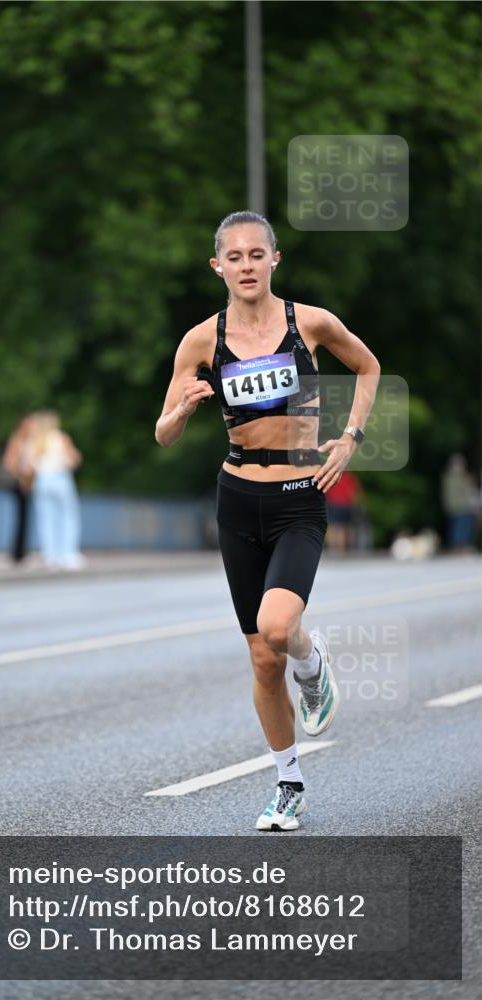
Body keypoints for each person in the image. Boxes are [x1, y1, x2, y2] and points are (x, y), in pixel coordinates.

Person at [156, 211, 380, 831]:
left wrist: (349, 437)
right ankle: (288, 783)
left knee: (278, 626)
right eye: (236, 256)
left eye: (258, 254)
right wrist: (186, 409)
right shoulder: (202, 341)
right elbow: (163, 431)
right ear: (218, 267)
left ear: (274, 260)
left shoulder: (309, 323)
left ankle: (313, 661)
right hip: (238, 498)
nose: (247, 265)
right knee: (260, 658)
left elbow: (368, 367)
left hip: (300, 494)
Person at [24, 410, 84, 570]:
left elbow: (28, 466)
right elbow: (74, 459)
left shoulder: (35, 441)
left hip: (42, 480)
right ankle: (69, 555)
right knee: (68, 516)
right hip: (60, 478)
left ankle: (51, 556)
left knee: (47, 519)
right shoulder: (60, 438)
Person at [2, 414, 37, 562]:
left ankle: (22, 551)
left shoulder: (32, 442)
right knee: (21, 518)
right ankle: (17, 552)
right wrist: (20, 474)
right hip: (19, 483)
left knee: (26, 518)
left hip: (29, 484)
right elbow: (9, 463)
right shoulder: (17, 440)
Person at [440, 453, 478, 552]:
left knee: (463, 526)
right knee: (459, 527)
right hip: (459, 505)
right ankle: (458, 547)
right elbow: (460, 491)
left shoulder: (453, 476)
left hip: (462, 505)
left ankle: (462, 545)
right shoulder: (453, 477)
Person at [326, 469, 362, 553]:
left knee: (334, 527)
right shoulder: (349, 477)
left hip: (334, 504)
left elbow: (327, 491)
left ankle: (334, 549)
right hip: (345, 505)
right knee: (344, 528)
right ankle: (341, 549)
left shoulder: (332, 476)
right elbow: (354, 493)